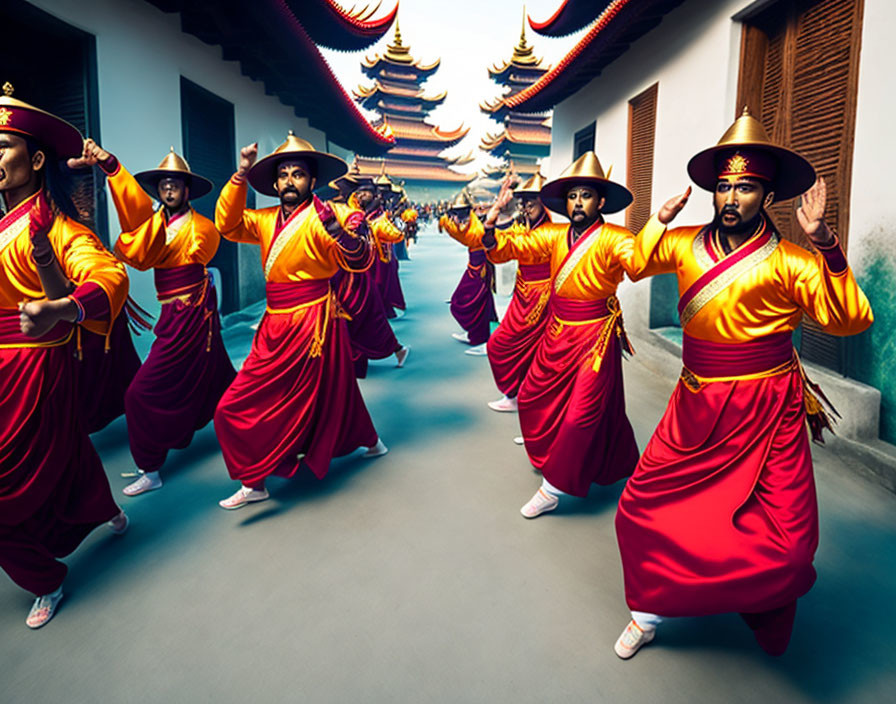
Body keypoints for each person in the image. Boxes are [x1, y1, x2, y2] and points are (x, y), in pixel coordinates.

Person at [613, 109, 874, 659]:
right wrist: (657, 219)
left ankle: (761, 605)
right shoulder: (683, 243)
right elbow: (635, 266)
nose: (732, 198)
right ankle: (649, 607)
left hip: (769, 405)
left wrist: (826, 243)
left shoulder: (792, 260)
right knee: (640, 506)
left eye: (747, 188)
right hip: (695, 401)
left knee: (788, 541)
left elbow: (851, 317)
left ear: (768, 195)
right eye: (725, 186)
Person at [0, 84, 129, 628]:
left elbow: (110, 274)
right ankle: (104, 507)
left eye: (0, 146)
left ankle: (45, 579)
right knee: (67, 452)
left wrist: (63, 309)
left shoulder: (58, 227)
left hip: (38, 366)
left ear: (33, 159)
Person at [213, 132, 387, 509]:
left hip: (315, 322)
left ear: (312, 181)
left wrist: (341, 232)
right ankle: (367, 441)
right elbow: (226, 226)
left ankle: (256, 479)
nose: (290, 180)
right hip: (273, 321)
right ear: (275, 183)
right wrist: (241, 175)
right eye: (284, 174)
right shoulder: (261, 220)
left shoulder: (332, 214)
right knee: (242, 400)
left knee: (319, 393)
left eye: (298, 174)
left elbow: (359, 261)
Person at [480, 152, 643, 518]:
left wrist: (659, 225)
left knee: (581, 414)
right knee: (536, 392)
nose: (578, 202)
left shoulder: (615, 237)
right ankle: (609, 459)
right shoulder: (553, 235)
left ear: (601, 201)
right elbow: (509, 249)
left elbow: (638, 262)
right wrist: (492, 222)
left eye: (586, 195)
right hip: (557, 332)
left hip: (595, 337)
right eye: (572, 196)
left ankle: (553, 488)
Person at [73, 141, 237, 496]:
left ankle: (151, 467)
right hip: (173, 317)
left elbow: (187, 251)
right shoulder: (153, 224)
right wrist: (111, 166)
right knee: (212, 377)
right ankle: (165, 458)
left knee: (142, 393)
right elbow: (136, 234)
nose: (168, 190)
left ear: (187, 190)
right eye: (163, 186)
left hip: (194, 315)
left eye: (174, 185)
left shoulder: (202, 228)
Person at [482, 173, 554, 413]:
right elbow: (501, 247)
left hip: (545, 300)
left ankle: (533, 406)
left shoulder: (550, 232)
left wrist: (493, 225)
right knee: (501, 345)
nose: (526, 207)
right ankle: (515, 395)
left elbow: (513, 246)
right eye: (524, 202)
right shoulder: (523, 227)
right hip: (523, 296)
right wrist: (494, 215)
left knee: (539, 356)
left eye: (532, 201)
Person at [331, 172, 409, 378]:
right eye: (361, 191)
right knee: (351, 318)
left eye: (367, 191)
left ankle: (392, 350)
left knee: (362, 317)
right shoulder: (341, 210)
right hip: (343, 272)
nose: (362, 195)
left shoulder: (358, 215)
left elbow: (395, 233)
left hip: (360, 272)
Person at [441, 190, 498, 353]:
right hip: (476, 268)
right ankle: (478, 334)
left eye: (461, 212)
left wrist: (448, 221)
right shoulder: (471, 224)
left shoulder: (475, 229)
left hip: (479, 271)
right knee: (482, 302)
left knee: (462, 302)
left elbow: (462, 236)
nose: (459, 215)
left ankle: (480, 337)